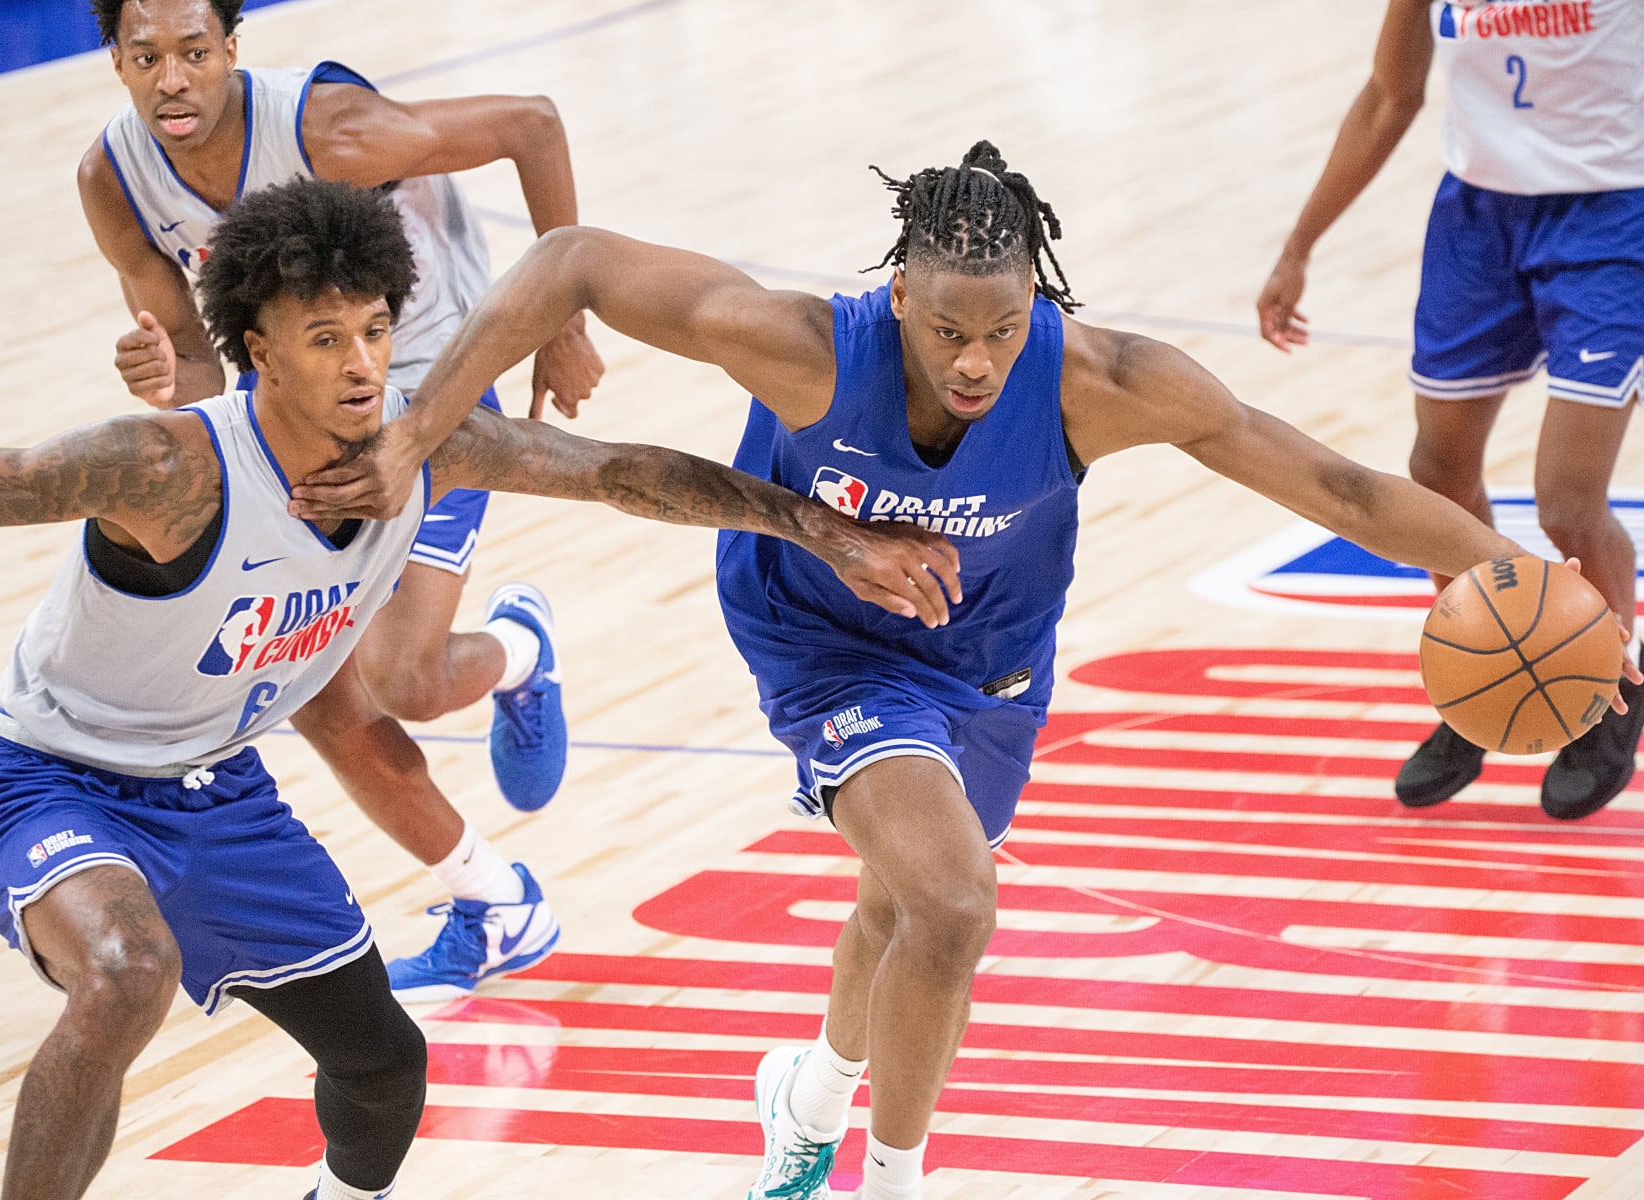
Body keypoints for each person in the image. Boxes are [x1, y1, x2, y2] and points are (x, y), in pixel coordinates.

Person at [285, 140, 1640, 1200]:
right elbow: (571, 256)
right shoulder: (812, 352)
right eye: (946, 332)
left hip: (989, 660)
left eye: (1000, 330)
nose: (976, 359)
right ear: (899, 300)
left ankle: (809, 1104)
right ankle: (897, 1179)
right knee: (951, 901)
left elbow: (1336, 479)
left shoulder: (1105, 381)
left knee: (901, 910)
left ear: (1036, 304)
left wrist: (1498, 573)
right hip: (819, 641)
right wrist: (415, 430)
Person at [0, 177, 955, 1200]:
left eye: (374, 329)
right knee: (131, 972)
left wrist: (820, 531)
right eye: (325, 338)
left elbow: (624, 471)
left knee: (385, 1072)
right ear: (256, 350)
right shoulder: (170, 468)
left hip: (219, 794)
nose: (363, 363)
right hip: (52, 781)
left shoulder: (423, 447)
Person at [77, 0, 609, 999]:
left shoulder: (327, 130)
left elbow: (530, 123)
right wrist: (161, 369)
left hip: (431, 387)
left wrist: (559, 321)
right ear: (115, 60)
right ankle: (497, 903)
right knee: (312, 688)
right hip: (286, 411)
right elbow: (196, 362)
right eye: (147, 57)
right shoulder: (112, 178)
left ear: (233, 49)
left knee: (402, 680)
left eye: (195, 53)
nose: (174, 79)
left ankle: (520, 654)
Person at [1256, 0, 1644, 818]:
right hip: (1478, 218)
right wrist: (1299, 244)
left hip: (1615, 216)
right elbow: (1388, 95)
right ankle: (1482, 669)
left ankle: (1607, 687)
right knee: (1436, 474)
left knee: (1569, 502)